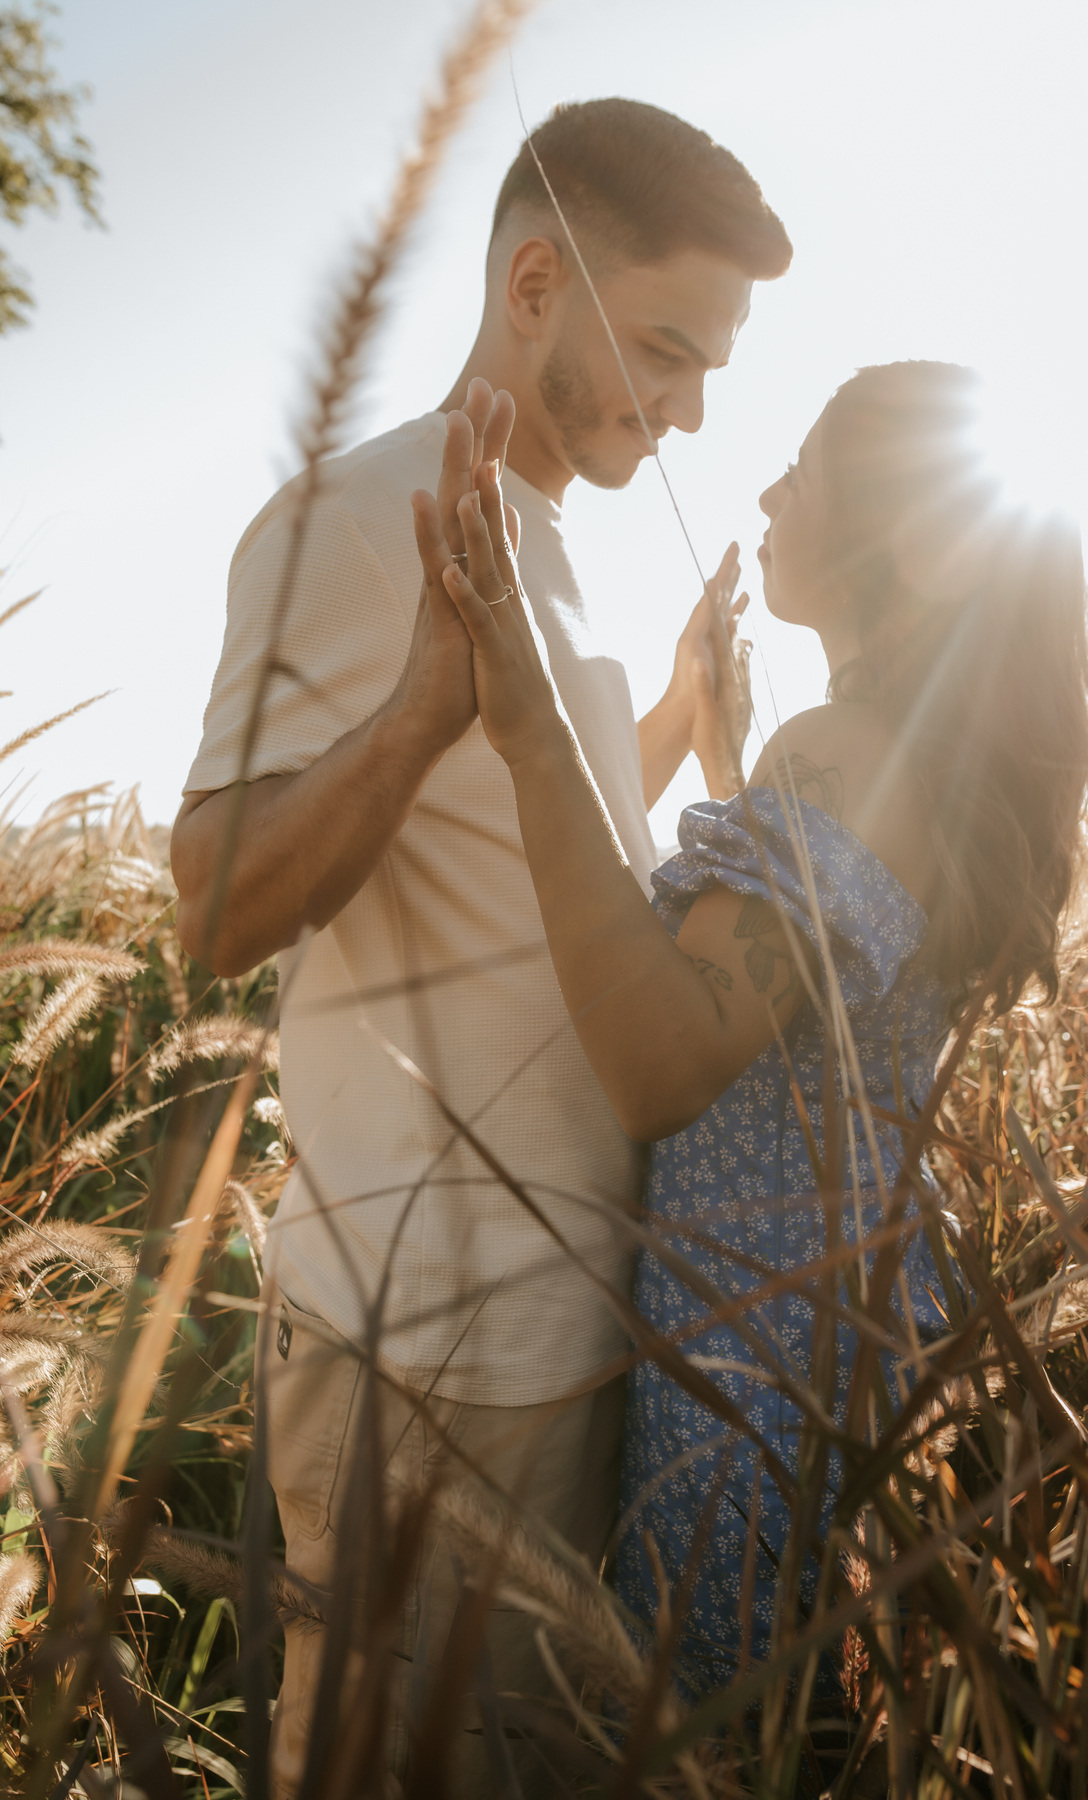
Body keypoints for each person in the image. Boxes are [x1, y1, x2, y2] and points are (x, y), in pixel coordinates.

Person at [170, 99, 790, 1793]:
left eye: (712, 367)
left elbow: (527, 836)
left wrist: (672, 713)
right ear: (534, 278)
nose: (689, 409)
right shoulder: (363, 517)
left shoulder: (559, 549)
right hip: (422, 1364)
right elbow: (210, 911)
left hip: (574, 1330)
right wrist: (416, 709)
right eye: (668, 348)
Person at [413, 358, 1088, 1698]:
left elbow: (664, 1065)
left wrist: (532, 725)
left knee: (692, 1736)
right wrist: (726, 751)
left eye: (808, 469)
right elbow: (814, 1004)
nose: (770, 491)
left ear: (921, 545)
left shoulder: (849, 750)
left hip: (742, 1379)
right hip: (829, 1354)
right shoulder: (913, 754)